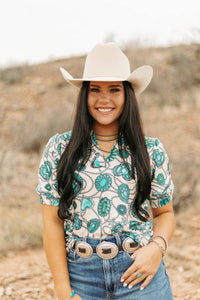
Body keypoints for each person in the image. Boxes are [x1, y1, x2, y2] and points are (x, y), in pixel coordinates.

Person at [36, 42, 175, 300]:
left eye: (114, 89)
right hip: (81, 275)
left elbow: (165, 213)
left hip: (139, 272)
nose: (104, 99)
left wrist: (156, 249)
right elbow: (52, 222)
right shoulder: (59, 149)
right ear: (84, 94)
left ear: (127, 95)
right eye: (95, 90)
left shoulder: (151, 150)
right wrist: (63, 290)